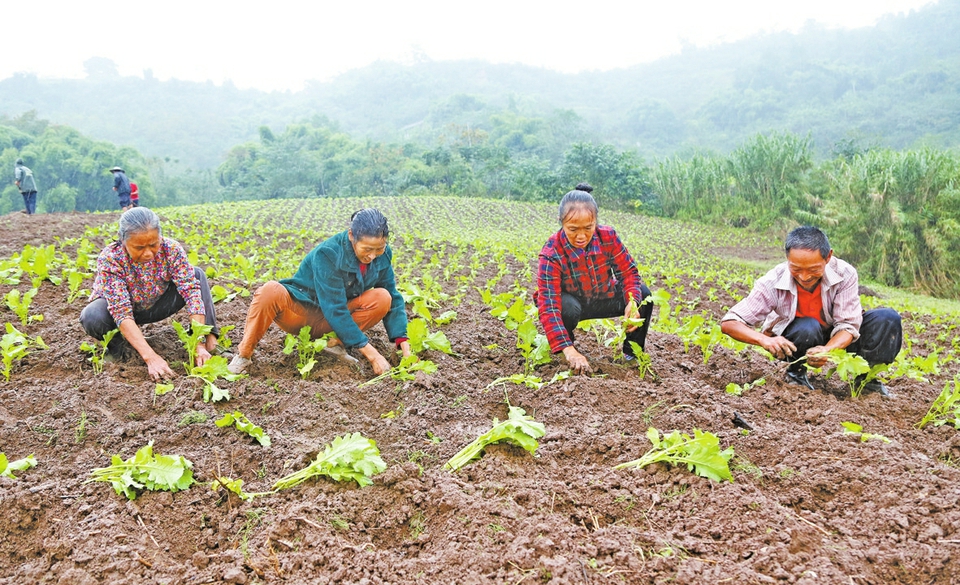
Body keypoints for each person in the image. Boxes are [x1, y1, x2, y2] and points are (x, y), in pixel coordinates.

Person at [720, 225, 902, 396]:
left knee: (887, 319)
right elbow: (730, 322)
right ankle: (796, 374)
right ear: (787, 259)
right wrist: (764, 340)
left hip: (837, 336)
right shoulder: (772, 281)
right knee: (807, 326)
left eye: (814, 269)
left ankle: (867, 380)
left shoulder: (845, 273)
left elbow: (848, 325)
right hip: (799, 337)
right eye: (796, 269)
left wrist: (828, 349)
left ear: (828, 257)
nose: (804, 277)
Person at [228, 208, 410, 377]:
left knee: (382, 297)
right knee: (269, 291)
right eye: (367, 249)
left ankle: (335, 344)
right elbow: (335, 308)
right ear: (351, 236)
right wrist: (373, 356)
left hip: (334, 320)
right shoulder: (328, 253)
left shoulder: (383, 256)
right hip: (303, 313)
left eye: (379, 248)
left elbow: (392, 296)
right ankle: (244, 355)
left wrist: (403, 342)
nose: (372, 255)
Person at [80, 207, 219, 381]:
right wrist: (151, 358)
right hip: (124, 313)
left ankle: (209, 339)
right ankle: (119, 350)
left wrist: (198, 343)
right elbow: (121, 313)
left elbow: (192, 295)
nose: (148, 253)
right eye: (139, 247)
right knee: (92, 315)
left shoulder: (172, 250)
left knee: (196, 275)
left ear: (160, 237)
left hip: (159, 303)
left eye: (153, 245)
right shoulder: (110, 258)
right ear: (123, 241)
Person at [535, 183, 653, 374]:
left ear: (595, 222)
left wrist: (632, 302)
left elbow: (628, 273)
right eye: (573, 229)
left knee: (643, 293)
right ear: (561, 222)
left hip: (602, 297)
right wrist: (569, 351)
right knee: (565, 307)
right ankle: (566, 351)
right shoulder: (551, 252)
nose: (581, 236)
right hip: (573, 305)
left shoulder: (608, 236)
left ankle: (632, 354)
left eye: (588, 228)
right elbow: (548, 305)